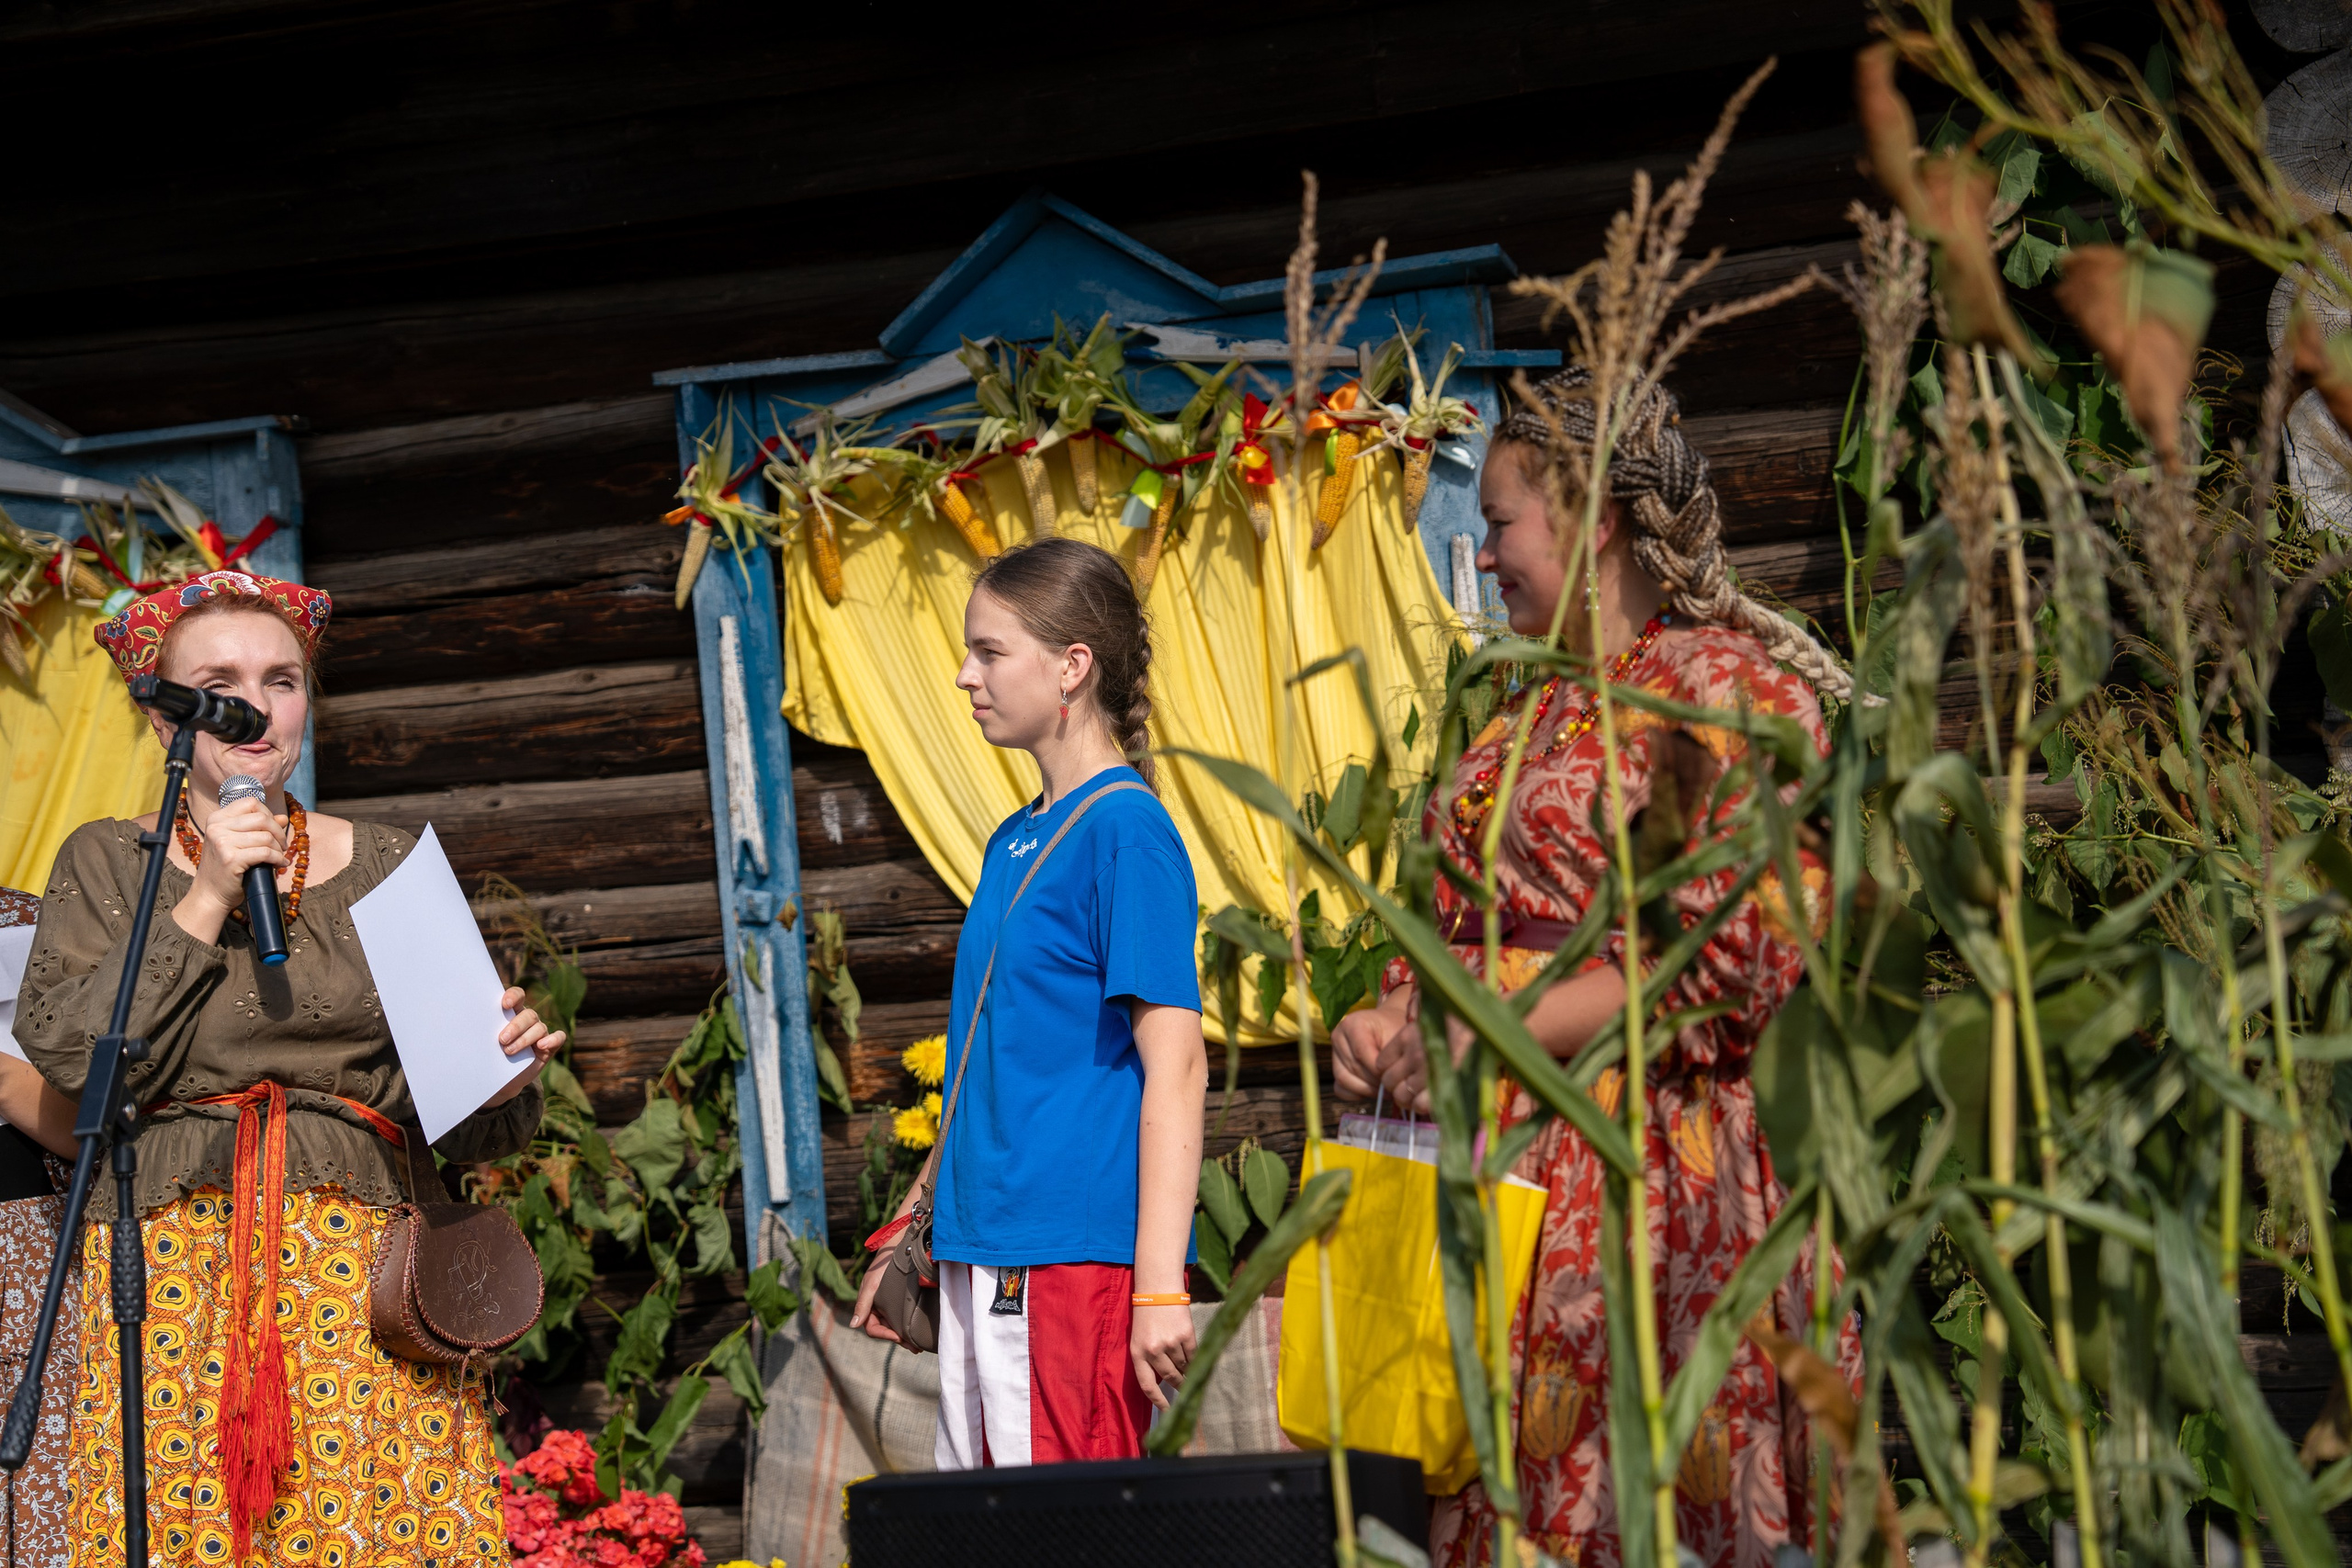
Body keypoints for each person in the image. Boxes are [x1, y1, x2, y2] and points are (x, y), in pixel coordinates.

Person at [1330, 369, 1861, 1568]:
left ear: (1595, 516)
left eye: (1501, 518)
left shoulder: (1727, 688)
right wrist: (1390, 1019)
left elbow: (1729, 959)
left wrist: (1491, 1018)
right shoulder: (1520, 716)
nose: (1481, 553)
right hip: (1494, 1192)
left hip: (1653, 1188)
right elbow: (1454, 934)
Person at [12, 568, 560, 1567]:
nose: (256, 707)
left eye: (283, 680)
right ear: (163, 716)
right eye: (220, 682)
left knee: (372, 1529)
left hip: (365, 1271)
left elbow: (468, 1126)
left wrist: (504, 1078)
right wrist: (211, 888)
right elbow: (72, 1057)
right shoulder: (104, 862)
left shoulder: (388, 861)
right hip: (172, 1265)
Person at [849, 537, 1207, 1470]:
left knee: (1055, 1530)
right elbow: (991, 1052)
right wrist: (920, 1219)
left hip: (1062, 1256)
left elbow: (1178, 1062)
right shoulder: (1017, 834)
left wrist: (1160, 1288)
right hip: (984, 1242)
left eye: (990, 651)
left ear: (1071, 666)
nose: (964, 675)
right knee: (984, 1530)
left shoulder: (1125, 831)